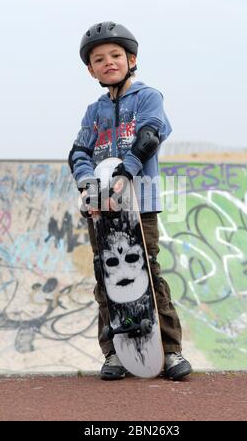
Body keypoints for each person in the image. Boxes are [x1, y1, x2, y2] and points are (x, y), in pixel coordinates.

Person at [68, 21, 192, 381]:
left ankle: (170, 351)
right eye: (99, 59)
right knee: (105, 277)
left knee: (149, 274)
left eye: (115, 55)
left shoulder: (148, 96)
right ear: (91, 70)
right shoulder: (94, 112)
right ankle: (115, 354)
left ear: (131, 58)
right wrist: (86, 184)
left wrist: (127, 171)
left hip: (142, 203)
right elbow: (78, 151)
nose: (108, 62)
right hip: (101, 207)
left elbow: (150, 135)